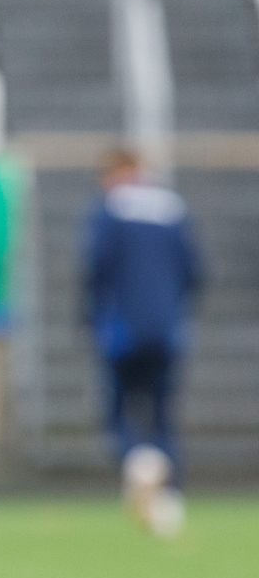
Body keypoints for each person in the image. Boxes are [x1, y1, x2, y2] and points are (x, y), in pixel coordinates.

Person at [85, 148, 200, 533]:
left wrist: (91, 319)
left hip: (122, 330)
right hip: (167, 330)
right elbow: (194, 271)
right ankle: (169, 500)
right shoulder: (172, 209)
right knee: (163, 413)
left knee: (120, 409)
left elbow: (96, 268)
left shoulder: (111, 210)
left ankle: (138, 464)